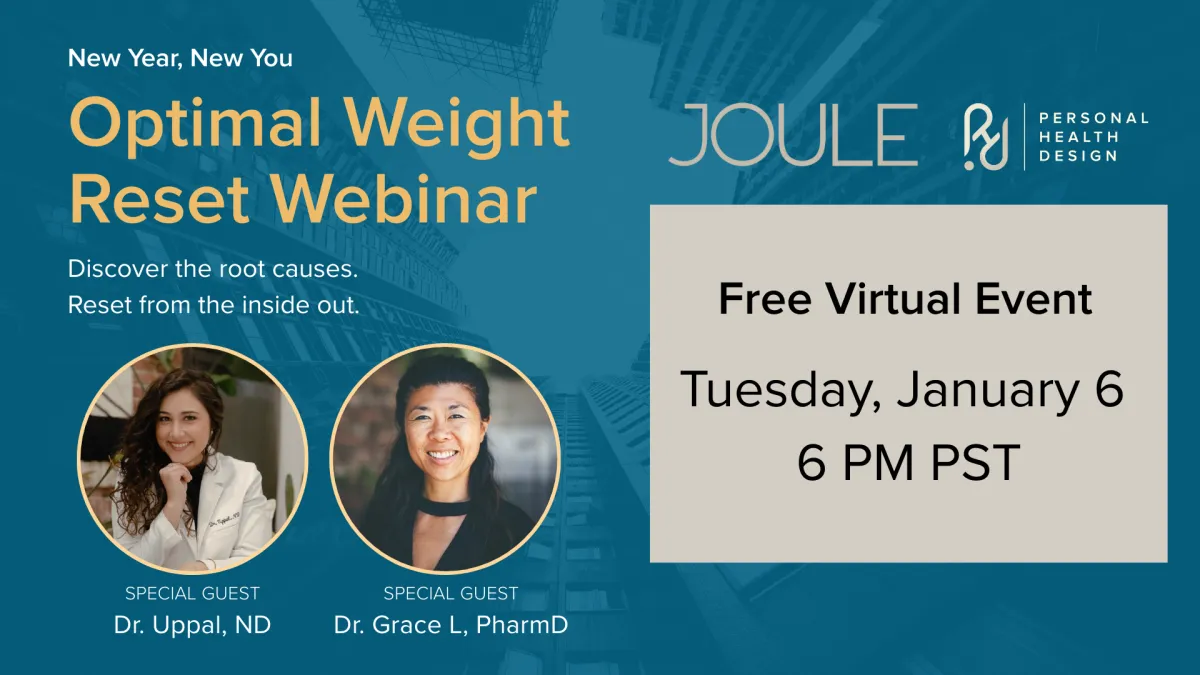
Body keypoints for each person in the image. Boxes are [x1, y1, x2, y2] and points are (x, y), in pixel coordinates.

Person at [361, 354, 535, 571]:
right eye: (423, 417)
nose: (440, 434)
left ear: (482, 427)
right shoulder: (377, 523)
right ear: (404, 429)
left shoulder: (516, 532)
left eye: (456, 416)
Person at [111, 369, 273, 571]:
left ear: (212, 423)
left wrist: (204, 568)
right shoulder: (133, 475)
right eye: (164, 419)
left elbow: (255, 560)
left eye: (189, 418)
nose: (176, 432)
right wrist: (172, 506)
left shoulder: (244, 476)